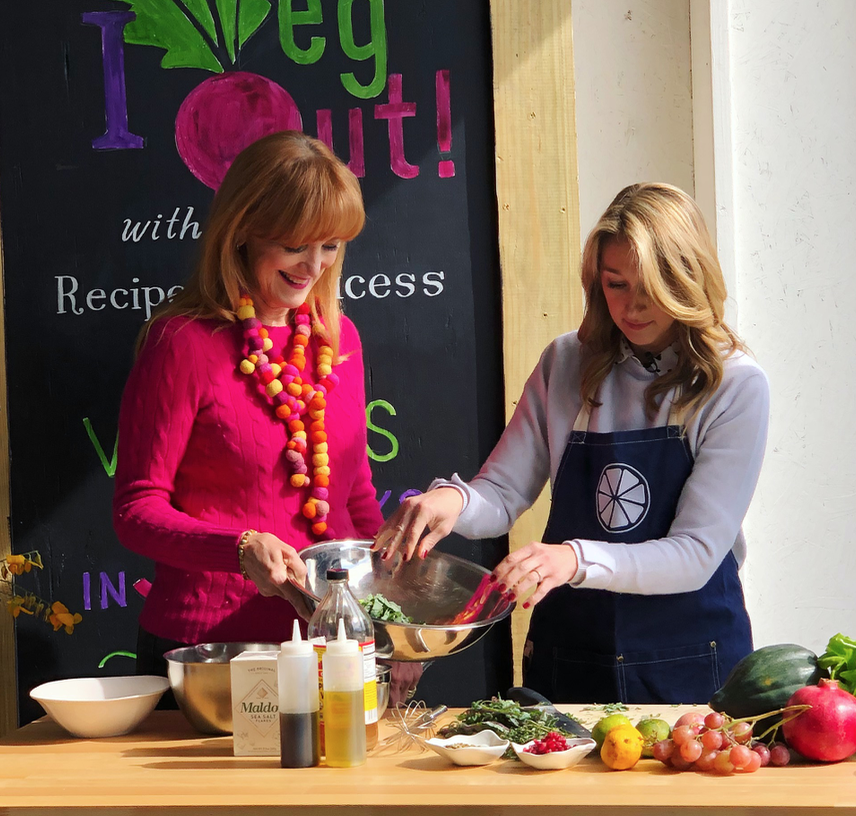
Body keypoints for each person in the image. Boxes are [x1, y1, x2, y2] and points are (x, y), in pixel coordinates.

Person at [374, 182, 770, 705]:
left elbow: (695, 553)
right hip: (569, 652)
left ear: (687, 277)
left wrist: (571, 560)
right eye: (616, 284)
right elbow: (501, 493)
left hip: (691, 656)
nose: (634, 306)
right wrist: (452, 502)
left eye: (651, 284)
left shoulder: (735, 384)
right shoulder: (566, 362)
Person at [112, 131, 412, 695]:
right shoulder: (181, 342)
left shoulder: (339, 337)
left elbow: (355, 502)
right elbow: (136, 508)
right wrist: (239, 548)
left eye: (330, 246)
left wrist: (388, 623)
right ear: (244, 230)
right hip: (212, 662)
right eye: (297, 245)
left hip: (335, 653)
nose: (314, 266)